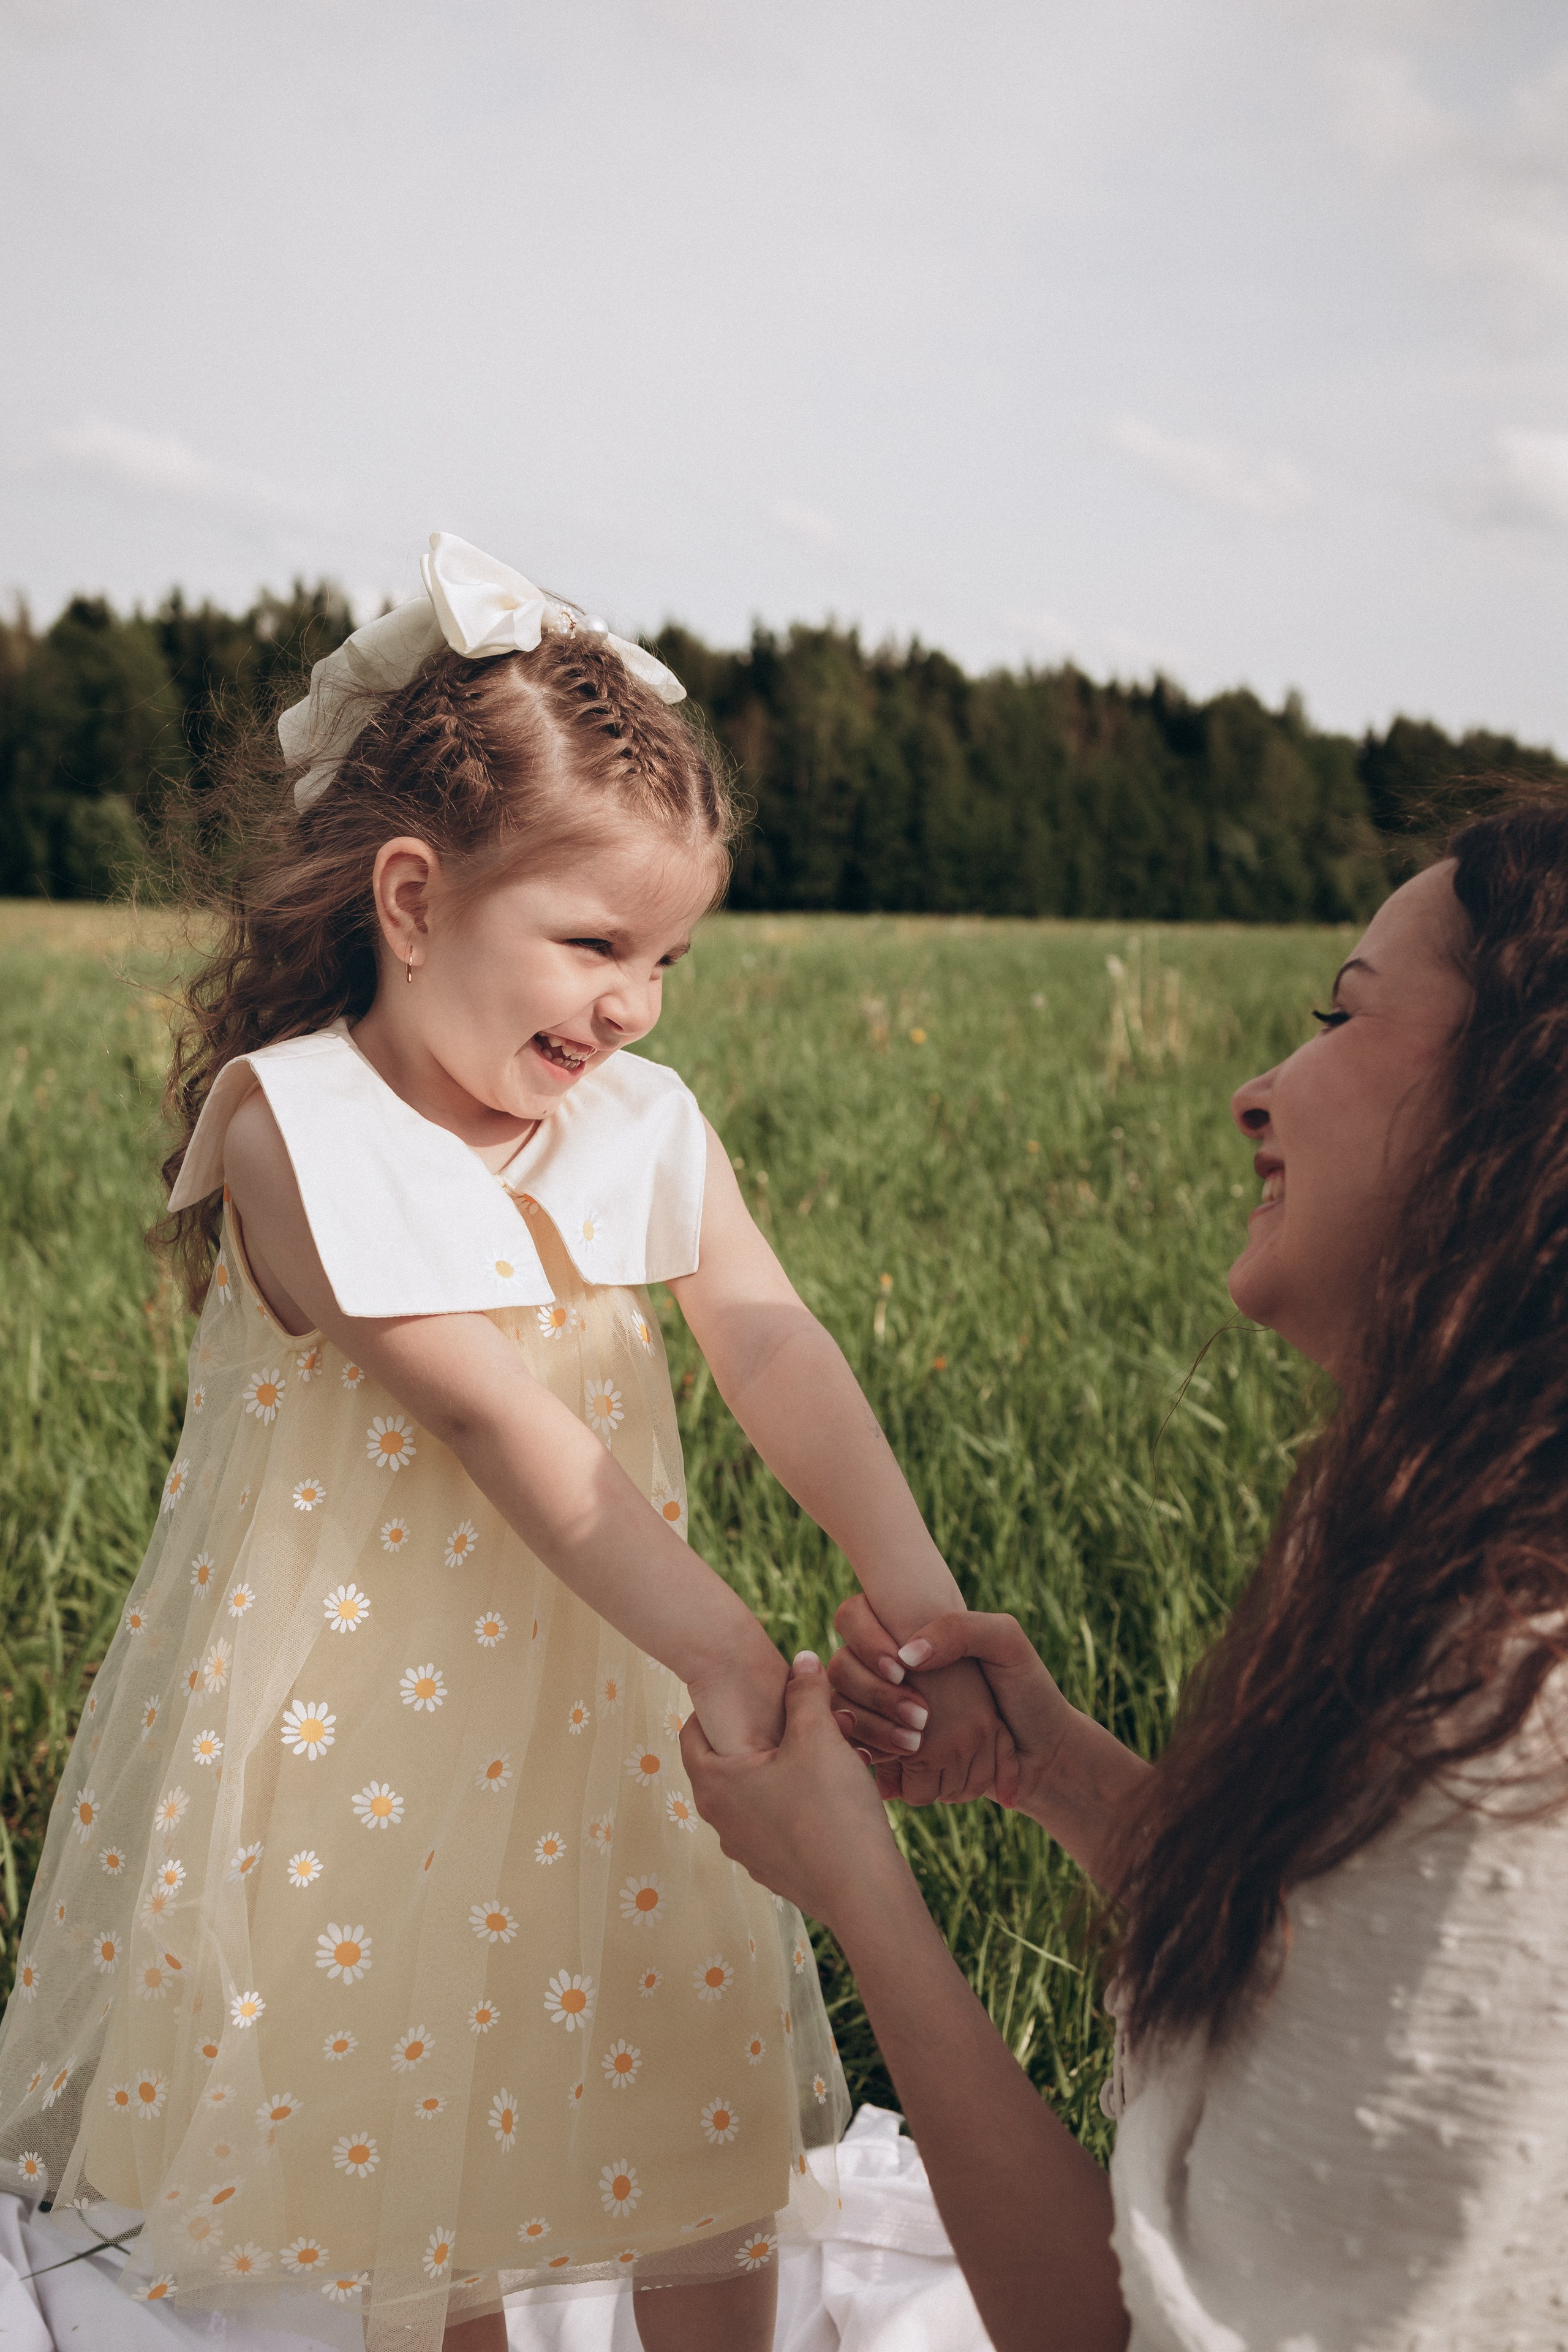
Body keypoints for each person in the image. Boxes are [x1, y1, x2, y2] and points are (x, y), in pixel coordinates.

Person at [0, 535, 1008, 2352]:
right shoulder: (293, 1131)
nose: (631, 1002)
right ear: (411, 898)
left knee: (692, 2084)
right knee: (425, 2141)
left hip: (627, 1712)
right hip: (379, 1721)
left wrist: (915, 1597)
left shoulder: (636, 1120)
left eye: (669, 958)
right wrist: (730, 1657)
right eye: (595, 943)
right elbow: (492, 1416)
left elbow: (777, 1350)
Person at [685, 806, 1568, 2352]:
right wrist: (1059, 1778)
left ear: (1525, 1106)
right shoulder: (1440, 1557)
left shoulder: (1510, 1746)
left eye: (1341, 1015)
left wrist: (860, 1903)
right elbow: (1322, 1979)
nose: (1253, 1092)